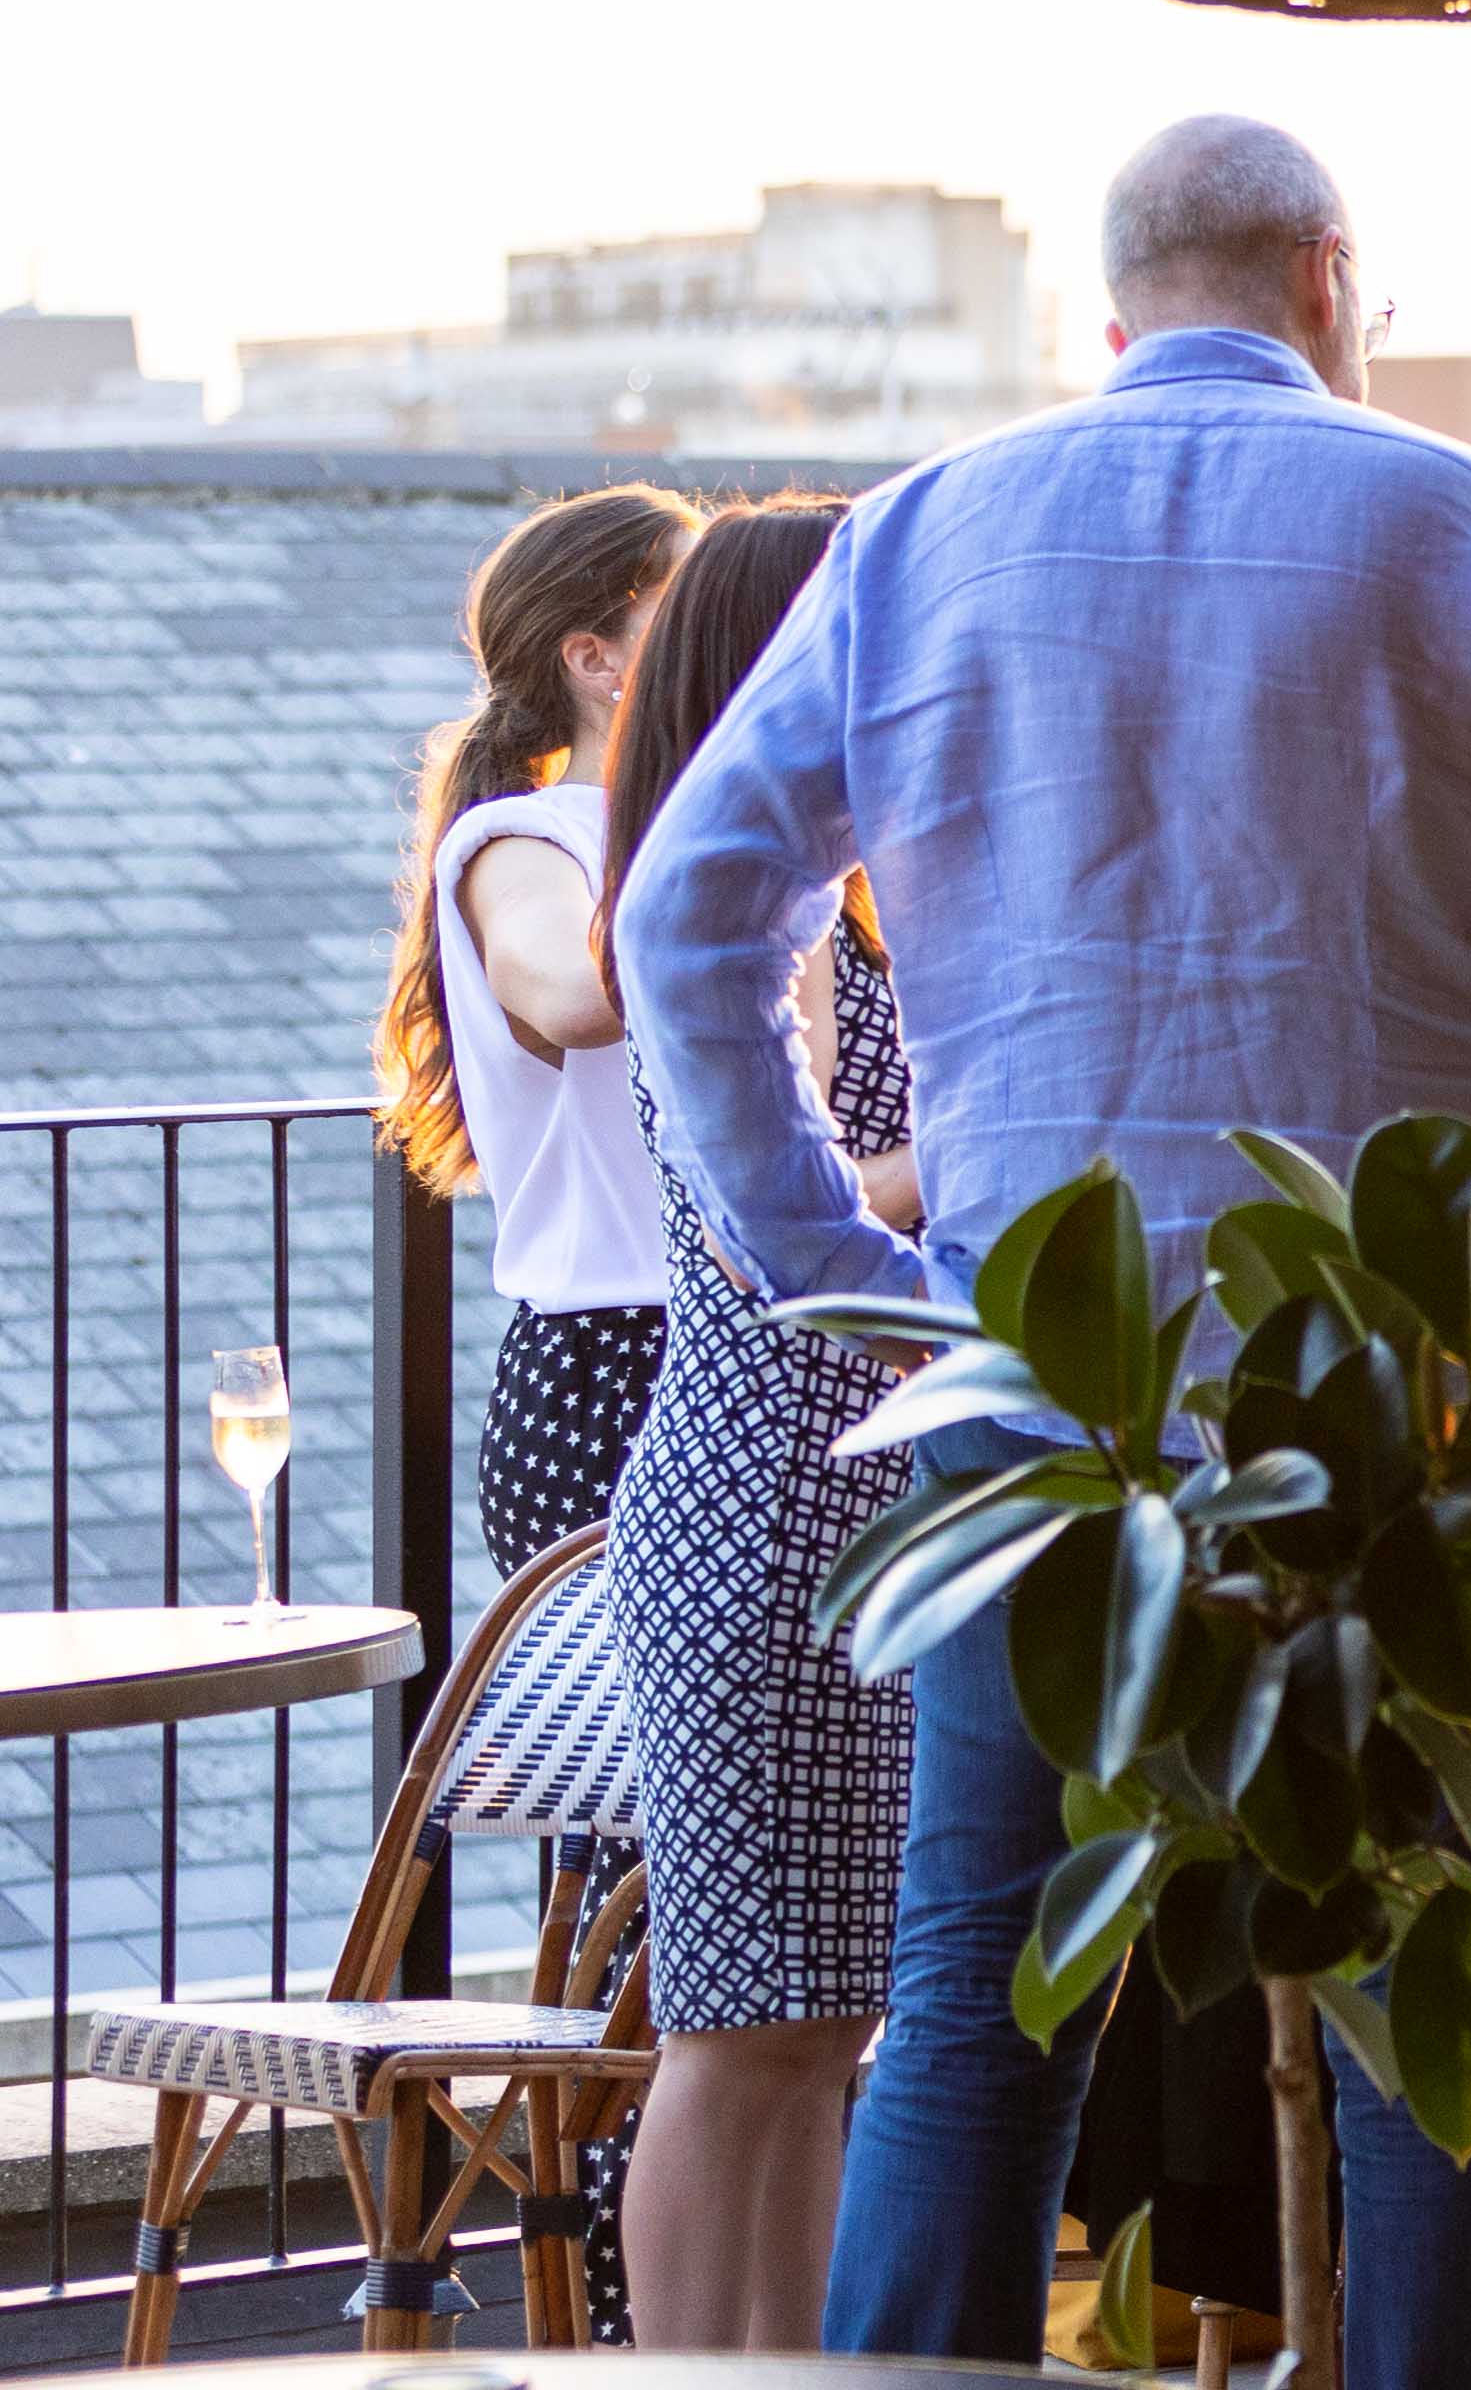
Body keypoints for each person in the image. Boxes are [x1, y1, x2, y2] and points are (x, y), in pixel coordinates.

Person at [618, 115, 1471, 2390]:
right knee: (1430, 1995)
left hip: (1046, 1406)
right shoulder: (1466, 520)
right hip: (1375, 1414)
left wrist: (834, 1260)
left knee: (974, 2018)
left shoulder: (925, 535)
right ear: (1329, 275)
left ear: (1112, 312)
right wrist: (1432, 1062)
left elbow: (679, 920)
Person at [590, 496, 925, 2353]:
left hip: (799, 1479)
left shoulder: (772, 884)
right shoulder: (761, 903)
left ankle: (772, 2360)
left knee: (804, 2025)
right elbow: (788, 1194)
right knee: (742, 2027)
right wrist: (1010, 1134)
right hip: (774, 1483)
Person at [379, 482, 694, 1567]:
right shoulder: (523, 839)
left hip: (741, 1342)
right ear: (594, 660)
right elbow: (569, 994)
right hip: (616, 1364)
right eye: (684, 601)